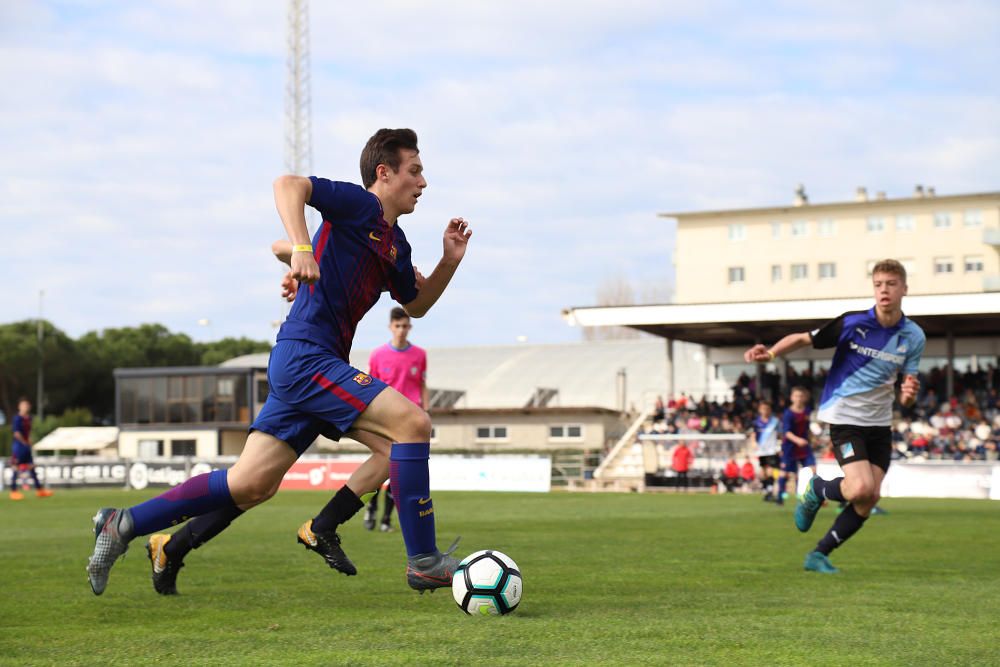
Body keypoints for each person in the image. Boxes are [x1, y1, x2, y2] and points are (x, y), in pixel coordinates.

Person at [87, 128, 473, 596]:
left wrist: (449, 262)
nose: (423, 182)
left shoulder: (397, 245)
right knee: (413, 424)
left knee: (251, 484)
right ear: (384, 173)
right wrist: (302, 249)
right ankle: (424, 562)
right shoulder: (358, 204)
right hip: (307, 358)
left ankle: (123, 524)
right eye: (415, 171)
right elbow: (288, 185)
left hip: (313, 363)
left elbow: (416, 305)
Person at [743, 259, 923, 573]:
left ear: (904, 289)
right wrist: (770, 353)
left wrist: (908, 395)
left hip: (880, 424)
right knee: (859, 489)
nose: (884, 290)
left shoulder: (913, 336)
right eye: (879, 284)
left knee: (869, 499)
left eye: (891, 284)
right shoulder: (852, 324)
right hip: (846, 419)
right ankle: (816, 490)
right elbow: (803, 338)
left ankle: (818, 554)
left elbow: (906, 390)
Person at [363, 306, 429, 532]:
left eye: (405, 326)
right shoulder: (378, 355)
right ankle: (371, 508)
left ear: (410, 327)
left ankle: (385, 519)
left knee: (399, 472)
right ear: (391, 327)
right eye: (397, 326)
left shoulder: (420, 354)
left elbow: (421, 384)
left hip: (409, 423)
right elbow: (370, 386)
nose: (401, 330)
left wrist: (425, 413)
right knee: (385, 466)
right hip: (385, 419)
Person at [776, 387, 816, 506]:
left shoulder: (807, 411)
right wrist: (798, 440)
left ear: (804, 398)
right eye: (796, 396)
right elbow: (786, 432)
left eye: (801, 396)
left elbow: (808, 428)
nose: (798, 398)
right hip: (790, 447)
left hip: (804, 445)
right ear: (792, 398)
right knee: (785, 473)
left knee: (813, 469)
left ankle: (813, 495)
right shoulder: (788, 413)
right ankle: (780, 497)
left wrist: (812, 438)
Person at [8, 398, 53, 500]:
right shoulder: (17, 418)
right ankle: (13, 491)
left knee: (32, 467)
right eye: (23, 405)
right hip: (18, 446)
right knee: (16, 467)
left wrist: (29, 441)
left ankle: (40, 490)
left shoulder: (29, 418)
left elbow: (28, 432)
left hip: (26, 446)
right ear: (19, 407)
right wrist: (25, 442)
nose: (25, 407)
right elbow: (16, 433)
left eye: (27, 405)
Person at [750, 400, 780, 501]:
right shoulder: (756, 422)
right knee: (763, 473)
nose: (765, 411)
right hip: (761, 450)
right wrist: (753, 442)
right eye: (763, 409)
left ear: (770, 410)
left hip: (771, 450)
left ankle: (770, 491)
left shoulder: (774, 421)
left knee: (770, 470)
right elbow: (754, 434)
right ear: (759, 410)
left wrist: (780, 446)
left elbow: (780, 434)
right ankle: (768, 491)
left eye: (767, 409)